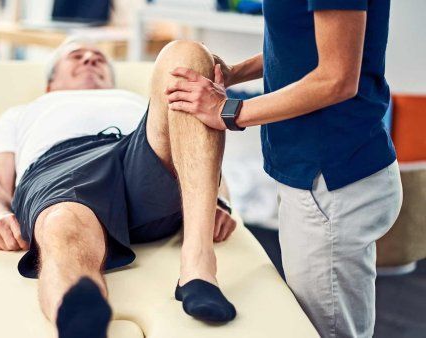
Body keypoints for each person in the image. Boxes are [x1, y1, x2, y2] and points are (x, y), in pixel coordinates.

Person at [165, 1, 403, 337]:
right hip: (326, 173)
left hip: (332, 180)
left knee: (323, 331)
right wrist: (236, 72)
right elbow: (304, 45)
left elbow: (336, 79)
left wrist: (228, 111)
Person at [0, 39, 238, 338]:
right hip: (61, 167)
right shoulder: (23, 112)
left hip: (139, 153)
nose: (89, 59)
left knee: (186, 54)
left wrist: (218, 201)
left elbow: (198, 152)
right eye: (76, 56)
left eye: (98, 57)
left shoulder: (135, 99)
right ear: (50, 83)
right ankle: (80, 321)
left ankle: (198, 268)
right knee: (64, 225)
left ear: (110, 77)